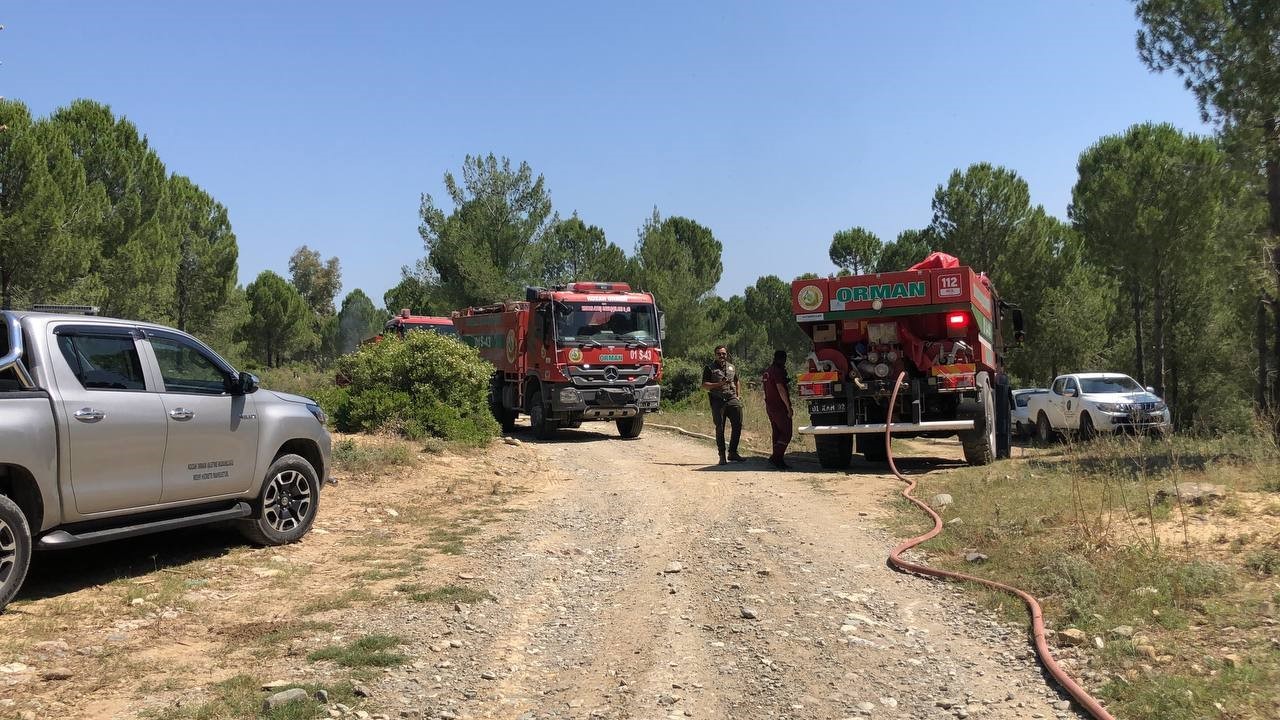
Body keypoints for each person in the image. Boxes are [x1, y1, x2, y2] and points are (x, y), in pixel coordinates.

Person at [702, 345, 744, 465]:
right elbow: (704, 385)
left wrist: (738, 395)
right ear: (715, 355)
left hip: (731, 398)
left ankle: (733, 452)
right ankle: (722, 455)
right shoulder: (709, 368)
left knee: (738, 424)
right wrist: (718, 384)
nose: (722, 356)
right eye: (719, 354)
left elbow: (737, 380)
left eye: (724, 354)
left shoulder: (731, 367)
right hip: (717, 400)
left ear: (727, 355)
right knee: (720, 427)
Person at [762, 349, 793, 469]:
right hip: (779, 407)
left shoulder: (768, 371)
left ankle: (778, 459)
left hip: (770, 406)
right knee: (786, 433)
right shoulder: (778, 371)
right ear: (783, 359)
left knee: (777, 432)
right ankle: (776, 458)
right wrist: (788, 407)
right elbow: (780, 389)